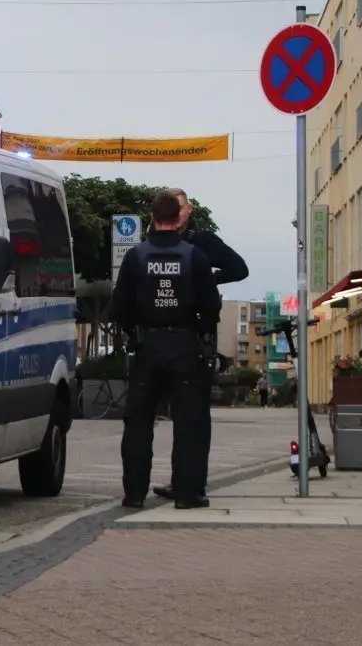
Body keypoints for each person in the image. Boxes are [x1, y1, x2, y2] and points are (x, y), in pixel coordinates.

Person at [111, 189, 222, 510]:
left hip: (147, 348)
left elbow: (120, 307)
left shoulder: (136, 257)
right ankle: (187, 494)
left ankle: (133, 494)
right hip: (185, 348)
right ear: (178, 218)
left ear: (152, 218)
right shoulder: (194, 256)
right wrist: (197, 330)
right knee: (190, 423)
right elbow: (211, 307)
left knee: (138, 423)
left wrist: (137, 332)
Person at [151, 188, 249, 502]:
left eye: (179, 207)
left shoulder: (202, 241)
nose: (175, 213)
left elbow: (239, 268)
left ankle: (191, 484)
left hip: (195, 338)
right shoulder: (156, 243)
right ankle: (179, 481)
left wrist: (206, 279)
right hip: (161, 339)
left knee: (192, 415)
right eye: (170, 207)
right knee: (170, 415)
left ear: (189, 209)